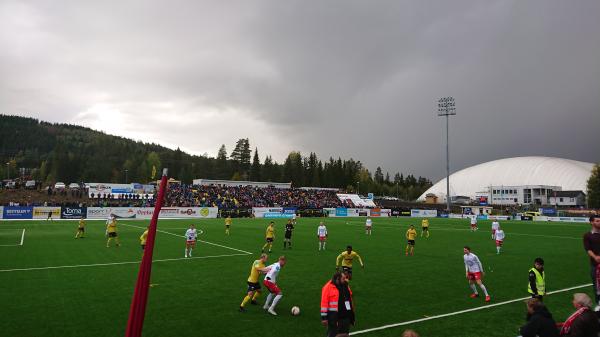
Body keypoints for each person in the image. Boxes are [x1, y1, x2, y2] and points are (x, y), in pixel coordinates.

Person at [320, 271, 355, 337]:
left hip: (346, 317)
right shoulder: (327, 287)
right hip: (334, 318)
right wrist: (324, 318)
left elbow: (350, 297)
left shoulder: (345, 285)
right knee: (333, 334)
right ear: (337, 279)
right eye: (343, 278)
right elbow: (324, 303)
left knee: (345, 334)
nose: (345, 280)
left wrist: (352, 313)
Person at [582, 215, 600, 309]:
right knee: (596, 286)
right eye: (597, 221)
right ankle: (599, 304)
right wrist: (595, 257)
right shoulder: (587, 235)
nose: (599, 222)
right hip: (595, 265)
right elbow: (588, 249)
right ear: (591, 222)